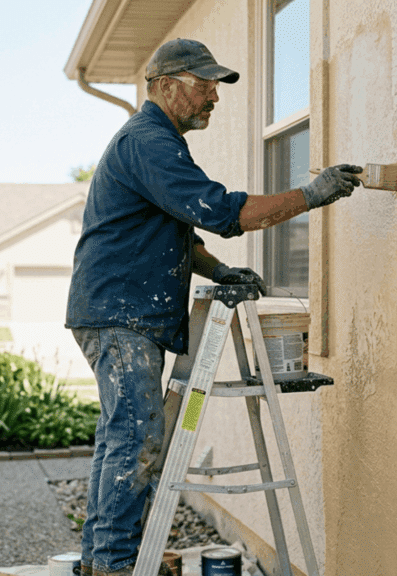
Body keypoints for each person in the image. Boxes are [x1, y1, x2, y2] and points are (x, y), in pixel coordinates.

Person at [65, 38, 362, 576]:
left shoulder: (158, 143)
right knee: (137, 438)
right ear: (165, 86)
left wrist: (219, 271)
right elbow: (221, 211)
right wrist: (311, 195)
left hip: (117, 309)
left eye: (214, 88)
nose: (213, 98)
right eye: (204, 86)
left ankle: (100, 561)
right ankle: (112, 567)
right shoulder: (149, 141)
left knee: (122, 438)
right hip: (120, 315)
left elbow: (177, 234)